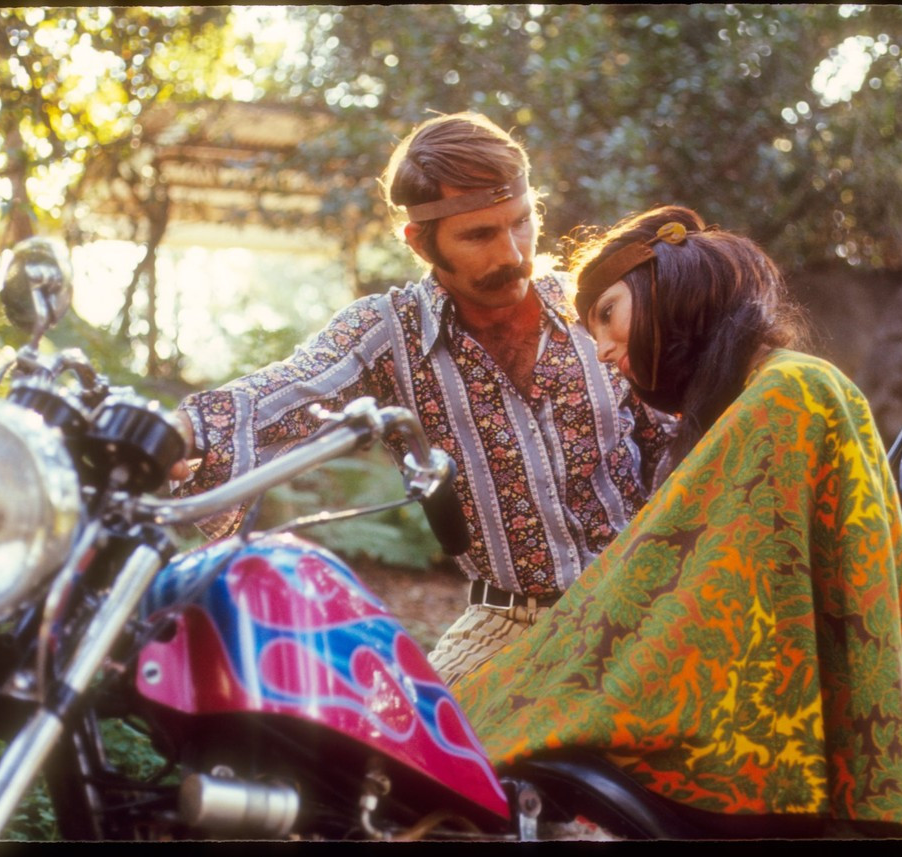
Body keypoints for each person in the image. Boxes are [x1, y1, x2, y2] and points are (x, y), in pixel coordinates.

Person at [453, 206, 902, 838]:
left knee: (466, 738)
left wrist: (574, 683)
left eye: (607, 314)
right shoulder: (762, 393)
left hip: (756, 749)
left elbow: (705, 594)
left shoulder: (789, 391)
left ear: (666, 286)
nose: (602, 350)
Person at [168, 113, 673, 687]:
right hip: (509, 624)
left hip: (644, 598)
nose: (512, 254)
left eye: (521, 222)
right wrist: (178, 432)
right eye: (479, 236)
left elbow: (683, 430)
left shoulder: (593, 305)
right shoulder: (390, 332)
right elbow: (292, 385)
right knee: (418, 740)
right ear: (420, 241)